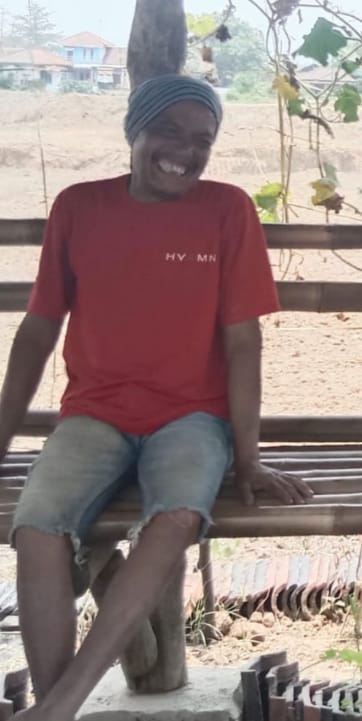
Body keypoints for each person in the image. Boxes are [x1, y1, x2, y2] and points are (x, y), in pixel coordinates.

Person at [0, 74, 313, 719]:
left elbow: (243, 344)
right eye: (168, 130)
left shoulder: (227, 210)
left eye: (202, 139)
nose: (185, 151)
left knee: (177, 518)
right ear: (134, 131)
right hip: (93, 414)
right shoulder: (79, 207)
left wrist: (248, 458)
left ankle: (59, 706)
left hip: (192, 418)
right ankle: (59, 707)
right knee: (35, 527)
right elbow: (37, 331)